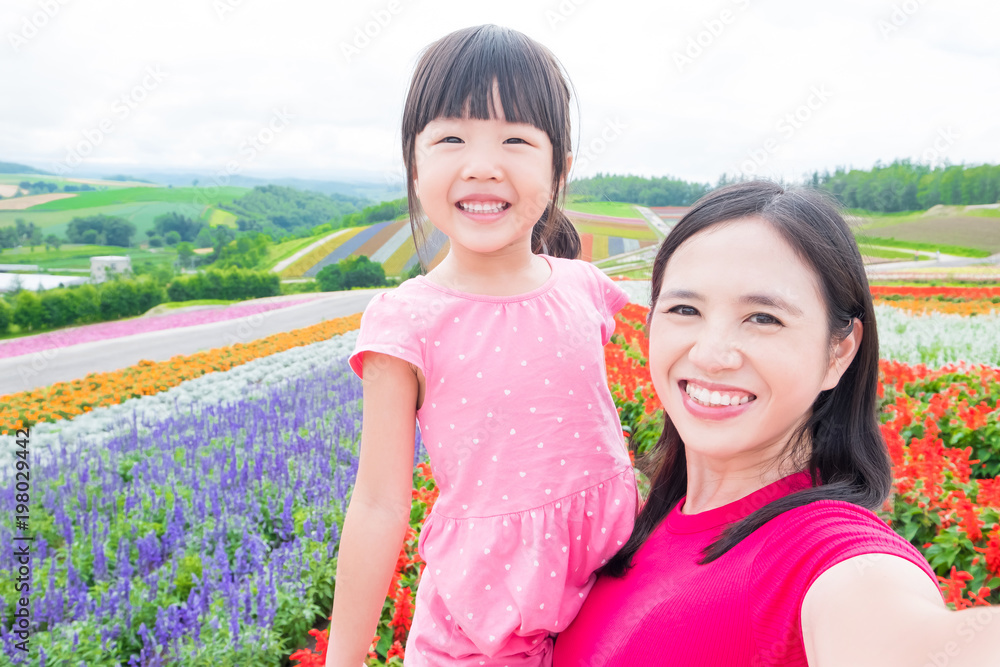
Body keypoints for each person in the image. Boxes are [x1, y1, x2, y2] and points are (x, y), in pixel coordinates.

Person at [552, 181, 1000, 666]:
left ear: (839, 351)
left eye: (763, 318)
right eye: (685, 309)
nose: (711, 354)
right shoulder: (636, 524)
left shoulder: (815, 557)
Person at [325, 25, 639, 667]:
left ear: (561, 169)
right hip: (484, 624)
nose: (482, 164)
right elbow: (380, 503)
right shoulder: (408, 319)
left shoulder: (585, 287)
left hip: (614, 585)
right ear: (414, 165)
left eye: (516, 140)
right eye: (451, 138)